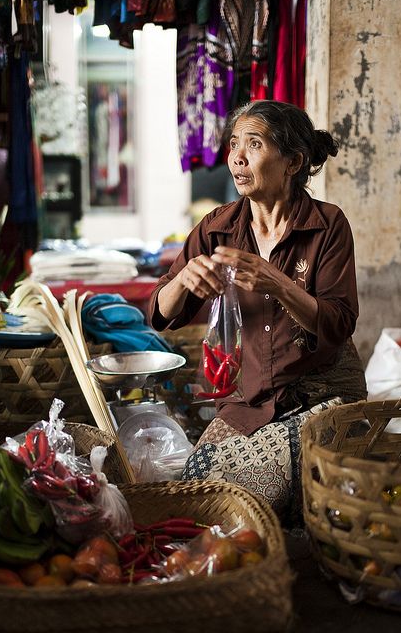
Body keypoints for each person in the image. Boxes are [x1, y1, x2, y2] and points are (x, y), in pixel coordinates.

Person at [148, 100, 367, 526]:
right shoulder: (217, 227)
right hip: (250, 399)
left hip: (322, 395)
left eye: (254, 144)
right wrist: (184, 280)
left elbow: (339, 323)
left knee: (256, 499)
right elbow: (159, 311)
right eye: (234, 144)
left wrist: (277, 283)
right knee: (202, 495)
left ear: (293, 162)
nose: (237, 157)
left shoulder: (328, 225)